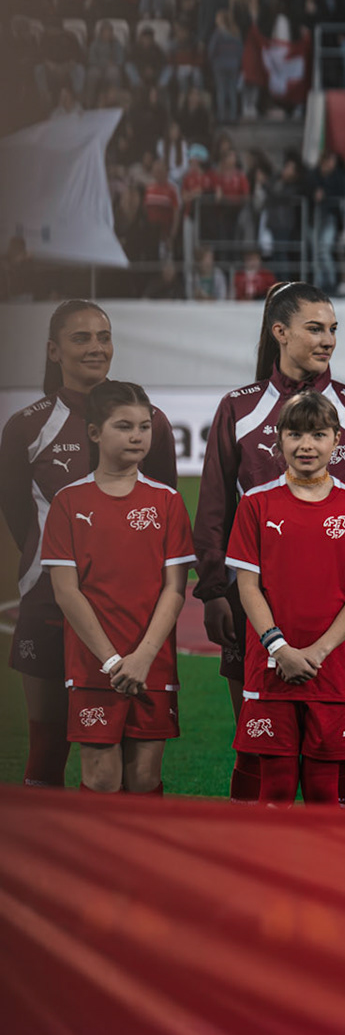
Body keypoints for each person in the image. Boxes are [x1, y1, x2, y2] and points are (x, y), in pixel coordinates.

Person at [193, 283, 345, 806]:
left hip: (341, 620)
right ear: (279, 331)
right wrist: (215, 592)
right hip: (256, 613)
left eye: (333, 329)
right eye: (315, 328)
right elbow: (214, 509)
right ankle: (257, 863)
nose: (328, 339)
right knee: (260, 750)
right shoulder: (238, 409)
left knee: (340, 748)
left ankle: (337, 868)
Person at [1, 302, 177, 790]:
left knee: (133, 755)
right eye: (81, 338)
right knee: (48, 744)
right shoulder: (26, 427)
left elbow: (161, 508)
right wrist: (57, 568)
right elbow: (20, 516)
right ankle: (51, 863)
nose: (96, 347)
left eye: (104, 336)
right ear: (53, 350)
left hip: (130, 613)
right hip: (47, 604)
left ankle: (130, 861)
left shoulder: (151, 421)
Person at [225, 392, 345, 807]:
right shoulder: (255, 504)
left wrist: (319, 651)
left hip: (331, 670)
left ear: (337, 441)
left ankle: (317, 871)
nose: (306, 445)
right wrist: (279, 648)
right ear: (278, 440)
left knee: (324, 790)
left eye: (318, 434)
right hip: (270, 669)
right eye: (295, 434)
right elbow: (248, 586)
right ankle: (271, 871)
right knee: (276, 788)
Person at [43, 382, 193, 795]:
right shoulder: (68, 502)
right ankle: (95, 861)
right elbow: (66, 593)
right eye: (123, 426)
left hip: (152, 667)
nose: (136, 436)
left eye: (144, 427)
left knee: (145, 779)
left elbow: (175, 589)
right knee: (101, 777)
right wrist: (113, 663)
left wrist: (143, 657)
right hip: (93, 668)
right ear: (95, 433)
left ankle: (142, 861)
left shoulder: (167, 502)